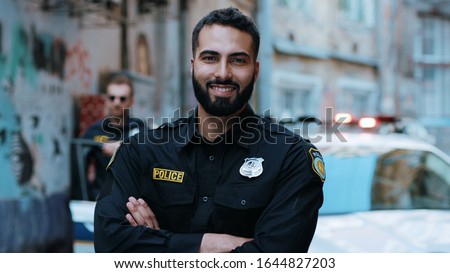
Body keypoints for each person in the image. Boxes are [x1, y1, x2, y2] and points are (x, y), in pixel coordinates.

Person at [94, 7, 325, 252]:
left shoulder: (292, 157)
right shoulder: (140, 150)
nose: (223, 73)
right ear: (193, 66)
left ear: (255, 71)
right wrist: (209, 245)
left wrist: (158, 243)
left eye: (238, 60)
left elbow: (274, 260)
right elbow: (109, 243)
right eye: (210, 58)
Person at [82, 73, 145, 201]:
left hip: (133, 201)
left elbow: (150, 157)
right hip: (101, 199)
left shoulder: (139, 127)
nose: (116, 103)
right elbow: (79, 163)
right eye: (112, 98)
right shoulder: (95, 130)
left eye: (122, 99)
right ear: (106, 99)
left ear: (131, 101)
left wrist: (122, 146)